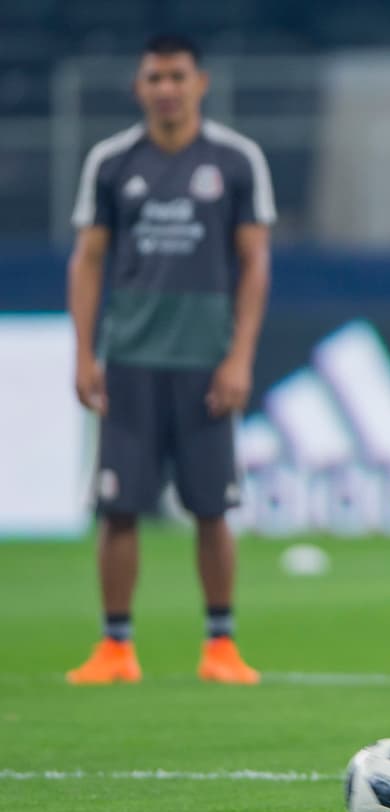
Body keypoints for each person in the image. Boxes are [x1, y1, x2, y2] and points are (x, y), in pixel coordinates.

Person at [65, 34, 274, 686]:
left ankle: (220, 644)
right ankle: (115, 646)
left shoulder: (235, 160)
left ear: (199, 83)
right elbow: (88, 260)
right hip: (129, 357)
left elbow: (255, 261)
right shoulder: (111, 160)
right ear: (139, 86)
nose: (166, 88)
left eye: (177, 76)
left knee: (212, 505)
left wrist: (239, 356)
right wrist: (84, 352)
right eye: (154, 77)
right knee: (118, 506)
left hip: (205, 361)